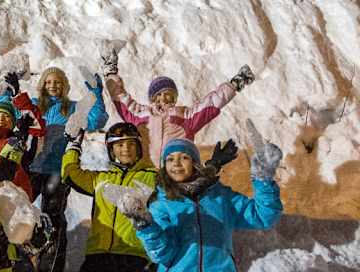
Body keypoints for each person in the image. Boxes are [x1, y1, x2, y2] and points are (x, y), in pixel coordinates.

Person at [117, 131, 283, 272]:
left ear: (195, 163)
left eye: (184, 157)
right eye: (170, 159)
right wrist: (146, 226)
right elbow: (162, 255)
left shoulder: (220, 197)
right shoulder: (161, 204)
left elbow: (263, 216)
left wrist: (263, 179)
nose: (176, 164)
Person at [101, 47, 255, 165]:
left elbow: (212, 103)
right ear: (152, 98)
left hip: (175, 173)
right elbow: (120, 97)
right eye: (158, 95)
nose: (163, 98)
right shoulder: (140, 114)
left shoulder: (186, 116)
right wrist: (110, 73)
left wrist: (234, 84)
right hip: (146, 172)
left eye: (168, 94)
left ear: (174, 98)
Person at [28, 67, 109, 272]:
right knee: (19, 210)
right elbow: (11, 114)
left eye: (58, 82)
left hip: (58, 169)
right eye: (48, 82)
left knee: (53, 217)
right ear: (42, 85)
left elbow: (97, 120)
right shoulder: (35, 105)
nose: (53, 85)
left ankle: (51, 266)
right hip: (33, 167)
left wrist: (96, 94)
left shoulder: (72, 108)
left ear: (64, 85)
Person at [61, 122, 157, 271]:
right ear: (111, 150)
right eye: (120, 145)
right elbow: (70, 174)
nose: (126, 149)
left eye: (131, 144)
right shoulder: (101, 178)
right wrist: (74, 146)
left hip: (133, 256)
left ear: (138, 148)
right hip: (97, 255)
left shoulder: (153, 177)